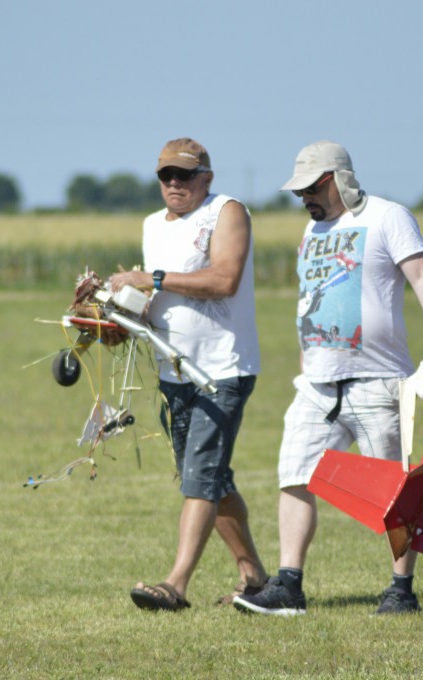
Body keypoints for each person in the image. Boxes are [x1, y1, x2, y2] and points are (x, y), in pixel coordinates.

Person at [233, 141, 423, 617]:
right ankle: (289, 585)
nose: (304, 199)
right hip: (316, 385)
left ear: (338, 179)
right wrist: (306, 360)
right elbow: (310, 298)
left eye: (310, 189)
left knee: (397, 493)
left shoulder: (388, 217)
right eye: (298, 192)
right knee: (295, 475)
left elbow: (422, 275)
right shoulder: (311, 230)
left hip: (378, 382)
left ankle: (401, 590)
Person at [109, 137, 268, 611]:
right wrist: (116, 320)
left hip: (222, 369)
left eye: (184, 175)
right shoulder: (151, 225)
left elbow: (224, 279)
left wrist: (152, 277)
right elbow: (157, 304)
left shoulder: (227, 212)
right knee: (211, 478)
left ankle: (175, 586)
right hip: (173, 372)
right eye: (166, 175)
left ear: (207, 178)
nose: (174, 183)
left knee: (200, 476)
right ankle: (255, 578)